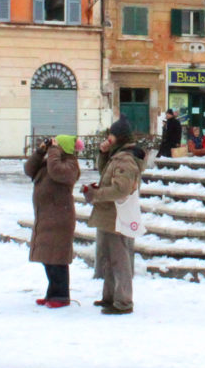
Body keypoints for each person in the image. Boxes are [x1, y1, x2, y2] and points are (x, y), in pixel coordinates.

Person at [83, 117, 146, 315]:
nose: (107, 137)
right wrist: (102, 153)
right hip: (111, 215)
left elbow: (121, 189)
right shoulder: (118, 155)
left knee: (119, 259)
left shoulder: (126, 159)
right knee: (109, 258)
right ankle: (110, 296)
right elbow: (105, 174)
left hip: (118, 215)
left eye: (110, 134)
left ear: (117, 137)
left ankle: (123, 301)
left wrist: (96, 195)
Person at [26, 134, 82, 308]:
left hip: (60, 218)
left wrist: (53, 151)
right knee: (47, 258)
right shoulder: (50, 160)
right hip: (46, 216)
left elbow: (57, 172)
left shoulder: (70, 164)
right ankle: (52, 293)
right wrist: (40, 151)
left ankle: (61, 296)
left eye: (57, 145)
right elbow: (29, 169)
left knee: (57, 259)